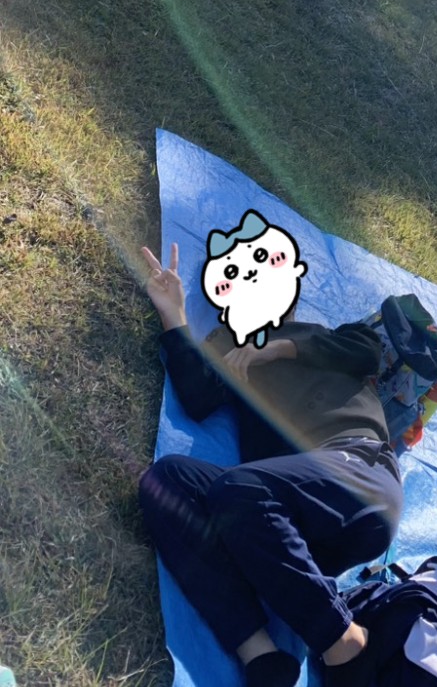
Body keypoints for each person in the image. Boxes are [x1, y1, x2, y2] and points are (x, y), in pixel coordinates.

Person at [138, 242, 403, 687]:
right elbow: (198, 395)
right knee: (166, 481)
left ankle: (344, 642)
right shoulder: (230, 348)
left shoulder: (330, 337)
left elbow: (367, 351)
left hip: (358, 475)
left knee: (240, 489)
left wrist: (276, 349)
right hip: (281, 521)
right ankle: (261, 656)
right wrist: (174, 313)